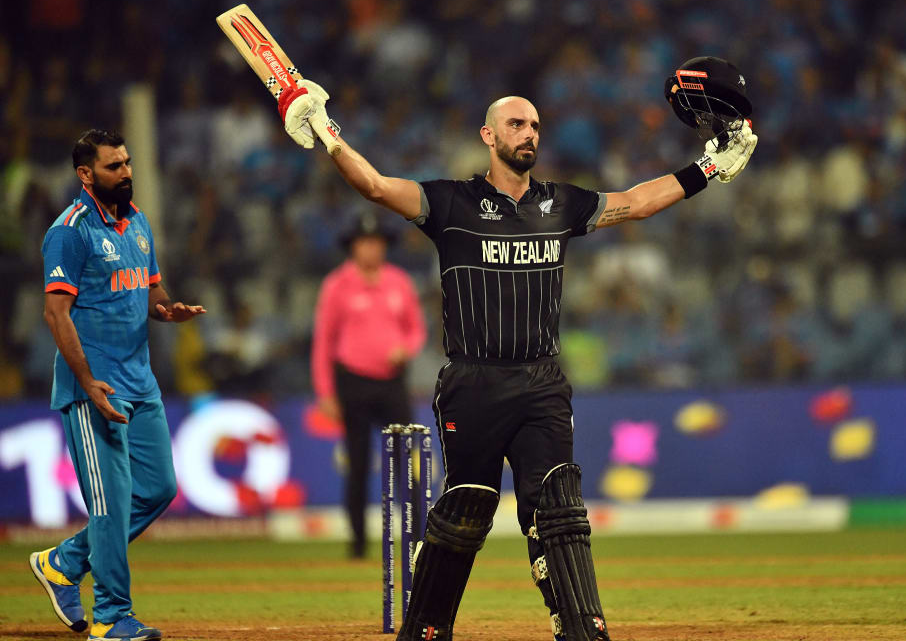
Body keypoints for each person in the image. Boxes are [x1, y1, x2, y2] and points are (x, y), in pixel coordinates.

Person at [276, 56, 757, 640]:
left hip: (542, 383)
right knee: (465, 511)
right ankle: (424, 631)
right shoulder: (449, 204)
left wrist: (707, 166)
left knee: (559, 505)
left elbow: (639, 201)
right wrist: (326, 133)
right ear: (488, 136)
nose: (529, 134)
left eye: (534, 126)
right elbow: (375, 186)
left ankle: (584, 630)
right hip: (472, 384)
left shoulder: (560, 203)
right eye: (516, 125)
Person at [30, 129, 205, 641]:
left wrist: (168, 309)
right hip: (95, 389)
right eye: (113, 167)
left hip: (141, 383)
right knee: (109, 504)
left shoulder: (138, 223)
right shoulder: (69, 231)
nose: (126, 172)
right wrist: (87, 382)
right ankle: (111, 617)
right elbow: (55, 313)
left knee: (158, 489)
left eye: (127, 163)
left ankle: (64, 561)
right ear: (86, 175)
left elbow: (148, 289)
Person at [311, 212, 426, 558]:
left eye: (377, 243)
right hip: (353, 382)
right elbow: (323, 343)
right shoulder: (336, 285)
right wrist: (325, 392)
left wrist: (406, 348)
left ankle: (418, 539)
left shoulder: (399, 282)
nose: (372, 249)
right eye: (365, 243)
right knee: (358, 465)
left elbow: (416, 329)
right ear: (353, 247)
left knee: (406, 462)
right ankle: (358, 542)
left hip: (392, 383)